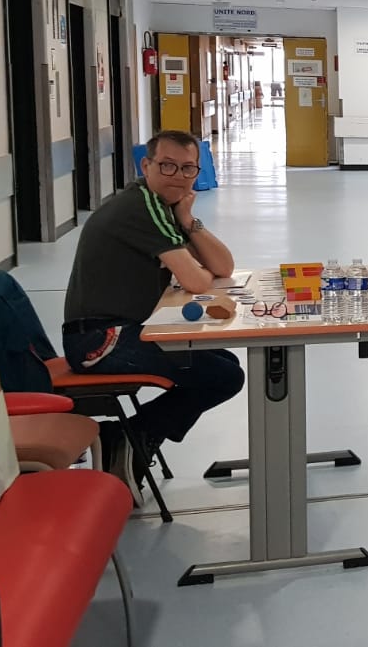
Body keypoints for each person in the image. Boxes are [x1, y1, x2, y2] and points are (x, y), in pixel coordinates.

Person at [62, 130, 245, 502]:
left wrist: (188, 219)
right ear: (146, 166)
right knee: (223, 375)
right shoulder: (141, 207)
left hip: (119, 331)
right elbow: (197, 280)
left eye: (188, 168)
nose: (178, 176)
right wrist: (194, 264)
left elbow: (223, 266)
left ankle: (129, 437)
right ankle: (131, 437)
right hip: (100, 342)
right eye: (167, 166)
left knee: (223, 363)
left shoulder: (161, 207)